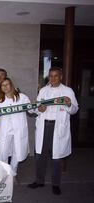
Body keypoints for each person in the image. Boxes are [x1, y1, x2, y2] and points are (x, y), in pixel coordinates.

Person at [28, 67, 78, 195]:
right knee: (40, 156)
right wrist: (40, 109)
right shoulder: (43, 90)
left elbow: (74, 109)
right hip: (44, 126)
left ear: (61, 76)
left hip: (58, 127)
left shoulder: (68, 91)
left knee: (56, 158)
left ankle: (56, 184)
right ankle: (39, 181)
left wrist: (68, 104)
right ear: (48, 77)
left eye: (56, 76)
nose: (53, 78)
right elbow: (36, 108)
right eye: (51, 76)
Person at [0, 78, 30, 176]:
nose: (5, 87)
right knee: (3, 151)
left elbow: (31, 110)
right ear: (1, 88)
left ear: (11, 85)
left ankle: (13, 170)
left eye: (7, 84)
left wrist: (37, 107)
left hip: (19, 128)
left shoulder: (22, 97)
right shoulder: (1, 100)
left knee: (17, 150)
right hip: (6, 129)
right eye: (3, 85)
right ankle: (5, 172)